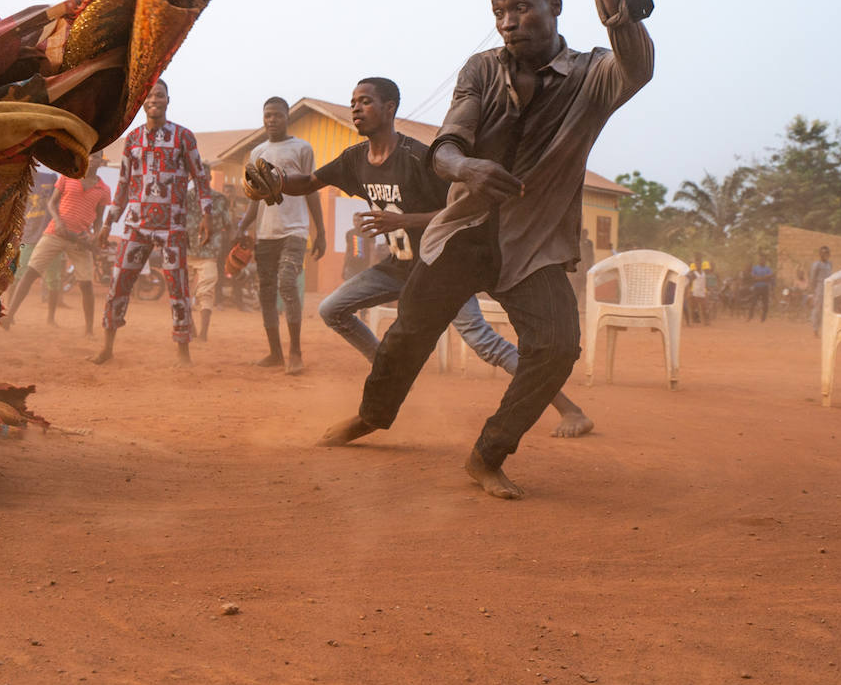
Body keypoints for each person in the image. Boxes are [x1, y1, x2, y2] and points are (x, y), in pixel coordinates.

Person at [314, 0, 653, 498]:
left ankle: (489, 453)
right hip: (463, 232)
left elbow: (637, 66)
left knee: (557, 347)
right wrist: (463, 167)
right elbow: (448, 142)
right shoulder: (482, 69)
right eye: (499, 14)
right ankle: (374, 415)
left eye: (521, 8)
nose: (508, 22)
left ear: (556, 5)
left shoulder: (592, 76)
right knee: (408, 335)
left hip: (535, 242)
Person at [245, 76, 593, 437]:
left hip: (443, 270)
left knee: (483, 342)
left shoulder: (420, 159)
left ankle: (572, 410)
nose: (355, 108)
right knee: (331, 309)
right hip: (398, 267)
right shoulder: (354, 161)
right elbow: (310, 182)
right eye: (353, 101)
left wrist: (402, 220)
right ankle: (391, 372)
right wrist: (279, 181)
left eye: (365, 101)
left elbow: (466, 209)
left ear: (389, 108)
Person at [92, 80, 214, 366]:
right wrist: (108, 224)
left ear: (168, 100)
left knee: (178, 287)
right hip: (136, 224)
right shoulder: (132, 139)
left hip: (172, 225)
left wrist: (207, 214)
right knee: (119, 282)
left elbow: (201, 178)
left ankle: (183, 352)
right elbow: (122, 185)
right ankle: (107, 347)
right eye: (149, 96)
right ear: (143, 104)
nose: (154, 100)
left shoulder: (184, 137)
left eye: (159, 95)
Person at [234, 97, 325, 374]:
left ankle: (295, 352)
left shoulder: (302, 148)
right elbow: (255, 196)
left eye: (276, 115)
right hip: (265, 234)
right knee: (265, 292)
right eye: (267, 115)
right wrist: (242, 226)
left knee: (287, 283)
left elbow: (311, 188)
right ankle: (275, 353)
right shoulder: (257, 152)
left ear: (287, 117)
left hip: (294, 231)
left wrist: (320, 231)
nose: (271, 120)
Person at [3, 153, 112, 335]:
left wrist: (95, 235)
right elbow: (52, 204)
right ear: (85, 158)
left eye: (97, 157)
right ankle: (9, 317)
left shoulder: (104, 190)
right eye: (90, 156)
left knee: (86, 285)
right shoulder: (68, 176)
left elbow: (99, 220)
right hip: (55, 233)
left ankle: (89, 330)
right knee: (30, 273)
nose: (93, 159)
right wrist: (59, 222)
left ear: (101, 161)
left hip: (80, 240)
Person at [184, 188, 231, 340]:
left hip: (189, 250)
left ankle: (196, 330)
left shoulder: (184, 196)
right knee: (206, 292)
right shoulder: (220, 199)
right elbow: (229, 224)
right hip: (207, 252)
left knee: (184, 291)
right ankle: (202, 332)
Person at [808, 245, 833, 335]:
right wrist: (812, 292)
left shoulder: (829, 264)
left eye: (826, 253)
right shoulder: (816, 264)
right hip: (819, 288)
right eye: (823, 253)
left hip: (828, 289)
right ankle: (815, 328)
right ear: (820, 254)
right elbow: (812, 279)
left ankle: (824, 329)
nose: (825, 254)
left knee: (827, 310)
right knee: (817, 309)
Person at [746, 251, 774, 322]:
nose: (762, 261)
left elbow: (770, 275)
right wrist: (764, 278)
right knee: (753, 302)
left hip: (765, 288)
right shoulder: (755, 268)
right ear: (759, 261)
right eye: (761, 260)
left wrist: (759, 278)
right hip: (757, 287)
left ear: (765, 261)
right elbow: (753, 276)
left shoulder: (768, 268)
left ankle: (763, 318)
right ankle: (750, 316)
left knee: (765, 303)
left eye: (764, 260)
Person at [684, 253, 710, 326]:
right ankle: (692, 321)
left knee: (704, 307)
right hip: (694, 292)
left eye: (699, 264)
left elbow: (705, 282)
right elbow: (689, 283)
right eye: (697, 264)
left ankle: (706, 321)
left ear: (701, 265)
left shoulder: (704, 273)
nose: (698, 265)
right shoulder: (694, 273)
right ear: (695, 265)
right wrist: (689, 291)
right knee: (693, 308)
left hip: (702, 292)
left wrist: (707, 290)